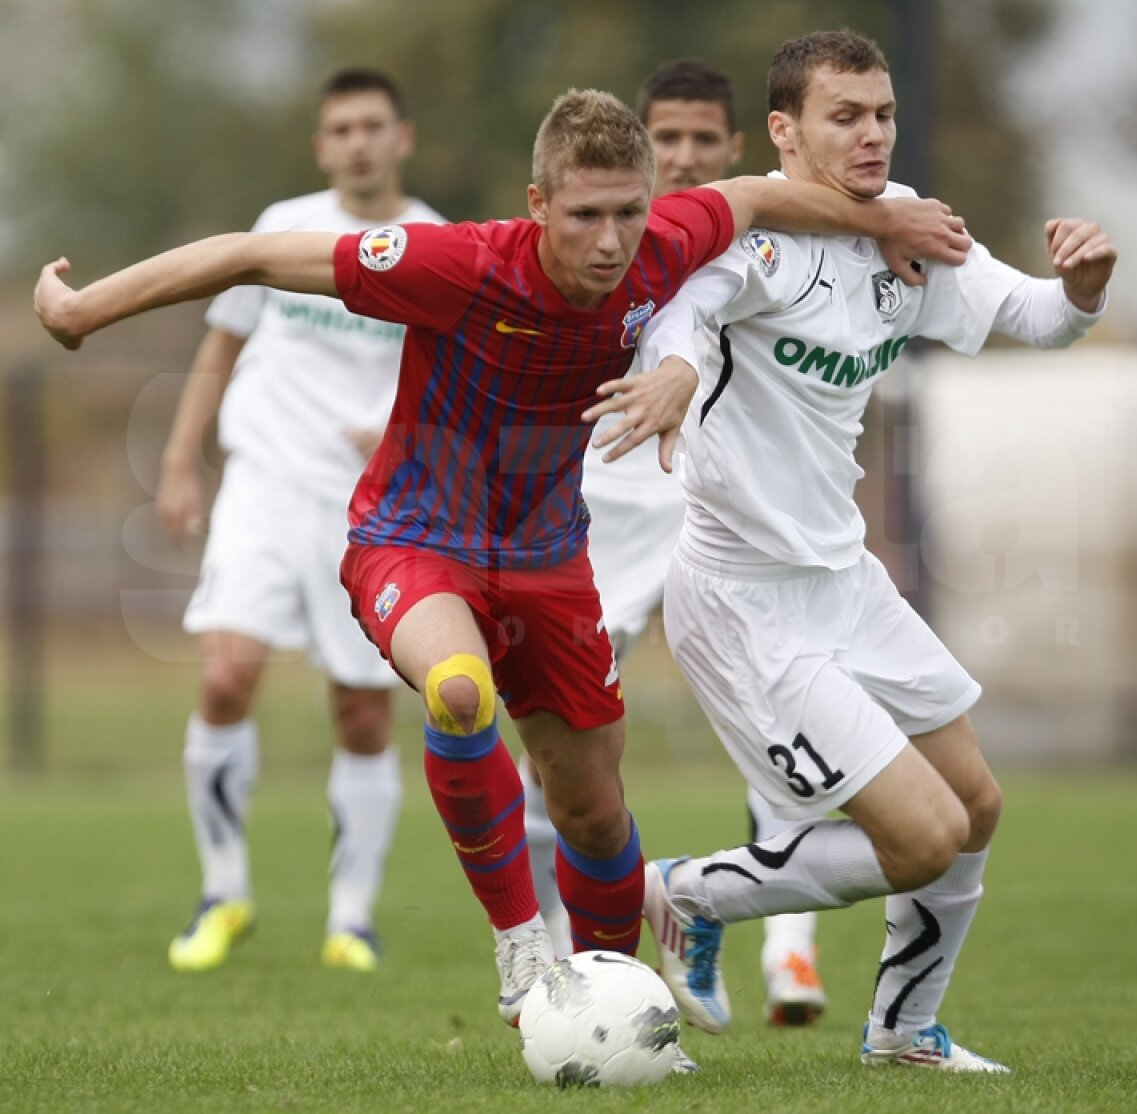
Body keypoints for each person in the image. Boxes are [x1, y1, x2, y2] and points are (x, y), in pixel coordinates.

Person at [34, 88, 972, 1040]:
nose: (611, 242)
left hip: (549, 560)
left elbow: (758, 199)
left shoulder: (664, 247)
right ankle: (521, 939)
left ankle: (618, 1005)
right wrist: (82, 310)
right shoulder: (460, 265)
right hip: (414, 539)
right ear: (536, 205)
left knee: (596, 815)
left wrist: (886, 213)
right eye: (584, 216)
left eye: (627, 213)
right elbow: (247, 255)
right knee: (457, 691)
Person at [631, 30, 1117, 1071]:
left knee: (975, 806)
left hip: (846, 584)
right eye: (844, 115)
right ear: (784, 132)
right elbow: (687, 308)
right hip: (744, 597)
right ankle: (688, 891)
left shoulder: (907, 232)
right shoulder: (751, 234)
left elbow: (1032, 315)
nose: (871, 133)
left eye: (883, 113)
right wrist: (674, 368)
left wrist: (1082, 286)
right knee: (922, 835)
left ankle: (903, 1032)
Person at [518, 58, 828, 1027]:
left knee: (781, 718)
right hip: (607, 504)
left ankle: (789, 954)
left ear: (735, 150)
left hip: (728, 511)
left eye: (705, 140)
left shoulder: (766, 240)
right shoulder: (610, 237)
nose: (688, 157)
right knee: (563, 754)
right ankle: (568, 970)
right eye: (672, 141)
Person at [155, 68, 444, 974]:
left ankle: (350, 918)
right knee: (226, 678)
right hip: (266, 484)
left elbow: (457, 384)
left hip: (373, 508)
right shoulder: (283, 228)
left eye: (373, 125)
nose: (358, 141)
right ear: (323, 146)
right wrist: (177, 463)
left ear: (402, 137)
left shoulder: (437, 242)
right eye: (341, 128)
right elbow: (221, 343)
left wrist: (408, 431)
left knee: (361, 713)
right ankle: (223, 892)